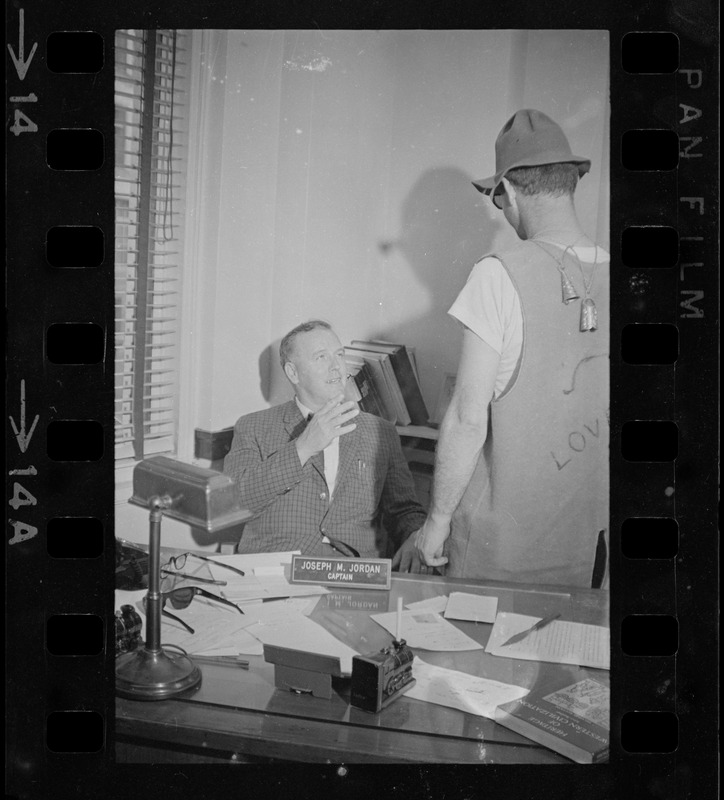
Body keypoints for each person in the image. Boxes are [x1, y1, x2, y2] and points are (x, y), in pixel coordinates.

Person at [406, 109, 610, 587]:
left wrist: (436, 523)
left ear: (509, 192)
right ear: (570, 181)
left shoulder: (497, 274)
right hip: (589, 542)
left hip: (502, 551)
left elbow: (468, 417)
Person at [224, 320, 426, 561]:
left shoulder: (380, 431)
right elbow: (234, 504)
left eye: (339, 355)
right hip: (277, 570)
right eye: (321, 357)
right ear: (293, 373)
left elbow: (404, 511)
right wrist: (303, 447)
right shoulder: (253, 427)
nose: (336, 366)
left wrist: (416, 536)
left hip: (353, 574)